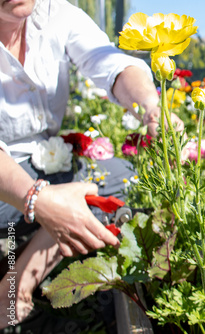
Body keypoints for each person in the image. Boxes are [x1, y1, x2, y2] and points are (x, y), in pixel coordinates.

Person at [0, 0, 184, 328]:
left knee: (126, 178)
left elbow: (110, 63)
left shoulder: (55, 14)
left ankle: (19, 280)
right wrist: (39, 200)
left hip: (43, 167)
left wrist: (151, 108)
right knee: (92, 193)